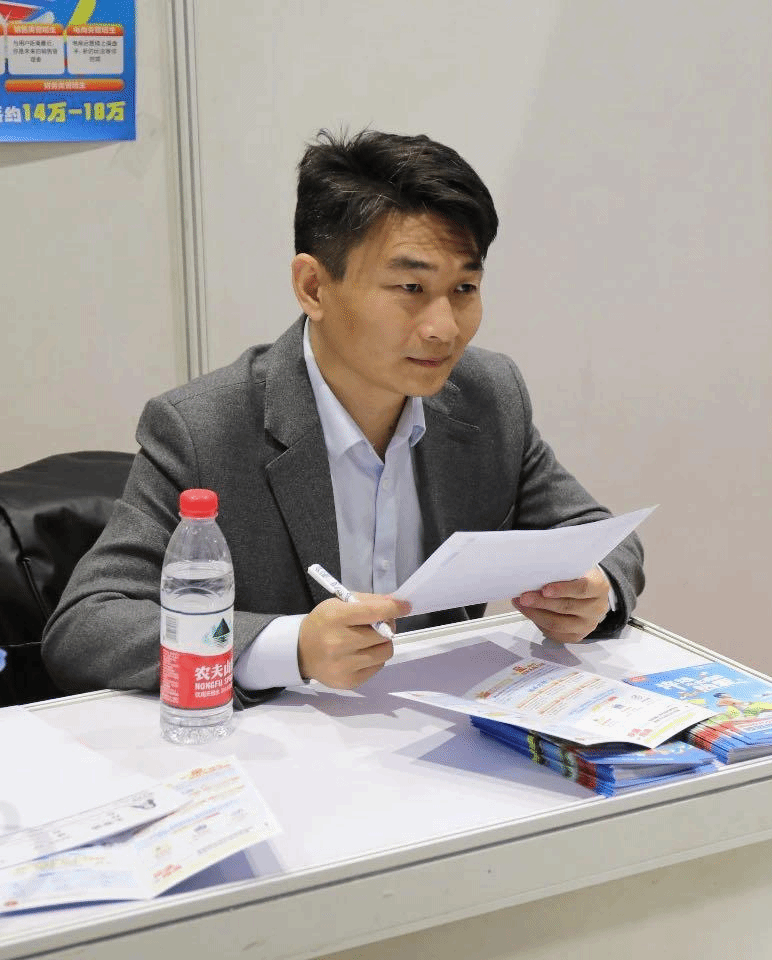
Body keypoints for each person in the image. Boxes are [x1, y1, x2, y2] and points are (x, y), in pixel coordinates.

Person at [42, 129, 644, 704]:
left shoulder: (488, 396)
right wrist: (290, 647)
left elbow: (597, 533)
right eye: (410, 288)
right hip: (283, 747)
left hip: (445, 736)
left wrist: (594, 587)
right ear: (313, 287)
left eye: (464, 289)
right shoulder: (205, 429)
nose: (444, 328)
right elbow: (89, 624)